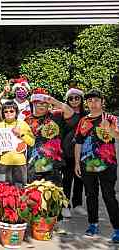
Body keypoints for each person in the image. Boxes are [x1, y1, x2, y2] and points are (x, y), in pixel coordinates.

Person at [74, 89, 119, 242]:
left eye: (96, 100)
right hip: (87, 164)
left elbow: (117, 136)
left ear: (102, 101)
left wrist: (109, 129)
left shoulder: (111, 118)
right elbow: (78, 142)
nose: (93, 103)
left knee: (109, 196)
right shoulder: (83, 121)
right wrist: (76, 163)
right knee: (90, 195)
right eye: (90, 101)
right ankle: (93, 224)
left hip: (108, 164)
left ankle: (117, 229)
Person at [25, 87, 74, 185]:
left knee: (54, 197)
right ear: (33, 103)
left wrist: (54, 101)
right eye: (39, 102)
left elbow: (70, 112)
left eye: (45, 103)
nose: (43, 105)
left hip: (54, 167)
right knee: (35, 197)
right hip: (33, 167)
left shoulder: (56, 115)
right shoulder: (26, 121)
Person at [0, 101, 35, 187]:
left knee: (19, 190)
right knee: (2, 189)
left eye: (11, 111)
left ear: (16, 112)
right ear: (3, 113)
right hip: (2, 164)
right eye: (6, 111)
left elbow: (32, 142)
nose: (8, 113)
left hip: (19, 165)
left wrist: (21, 134)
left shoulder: (23, 124)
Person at [61, 88, 88, 218]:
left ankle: (77, 204)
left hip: (82, 151)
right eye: (71, 98)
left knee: (80, 179)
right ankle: (65, 206)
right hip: (67, 151)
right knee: (66, 179)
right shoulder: (63, 113)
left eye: (77, 98)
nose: (74, 100)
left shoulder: (87, 115)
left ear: (81, 100)